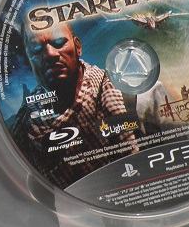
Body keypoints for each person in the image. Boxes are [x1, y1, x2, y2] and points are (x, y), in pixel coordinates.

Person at [9, 21, 137, 190]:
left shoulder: (120, 91)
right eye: (37, 50)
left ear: (78, 47)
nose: (50, 54)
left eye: (59, 43)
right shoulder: (23, 127)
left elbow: (134, 155)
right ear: (29, 61)